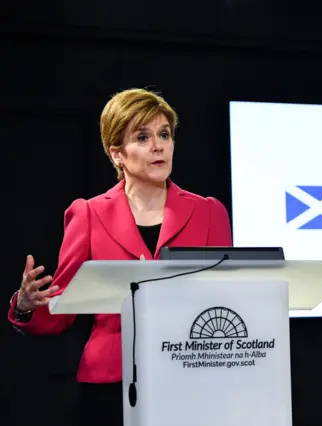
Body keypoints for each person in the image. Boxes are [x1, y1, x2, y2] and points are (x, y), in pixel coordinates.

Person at [7, 88, 232, 426]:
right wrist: (27, 304)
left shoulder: (209, 212)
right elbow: (63, 310)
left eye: (164, 134)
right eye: (142, 137)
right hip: (111, 383)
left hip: (190, 376)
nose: (158, 145)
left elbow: (230, 299)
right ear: (117, 154)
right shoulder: (88, 215)